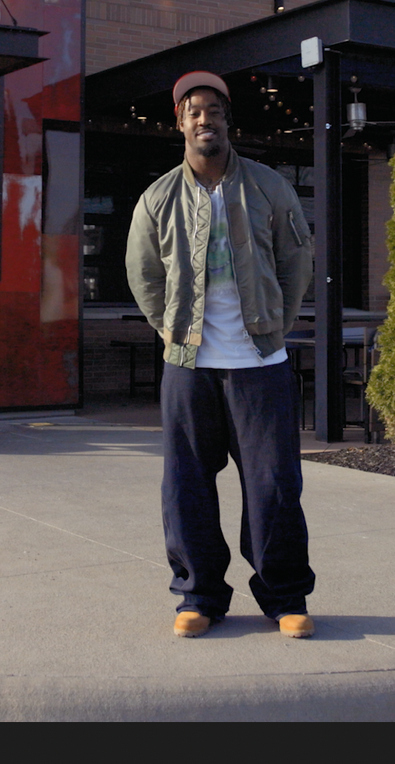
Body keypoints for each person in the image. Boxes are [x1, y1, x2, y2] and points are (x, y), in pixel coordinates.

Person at [125, 70, 317, 638]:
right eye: (194, 112)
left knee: (275, 486)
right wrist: (170, 329)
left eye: (214, 110)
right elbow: (143, 273)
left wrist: (277, 325)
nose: (205, 120)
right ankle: (198, 596)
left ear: (228, 120)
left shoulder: (268, 187)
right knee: (185, 486)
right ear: (180, 123)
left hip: (261, 365)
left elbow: (295, 258)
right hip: (190, 368)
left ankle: (285, 597)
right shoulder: (158, 197)